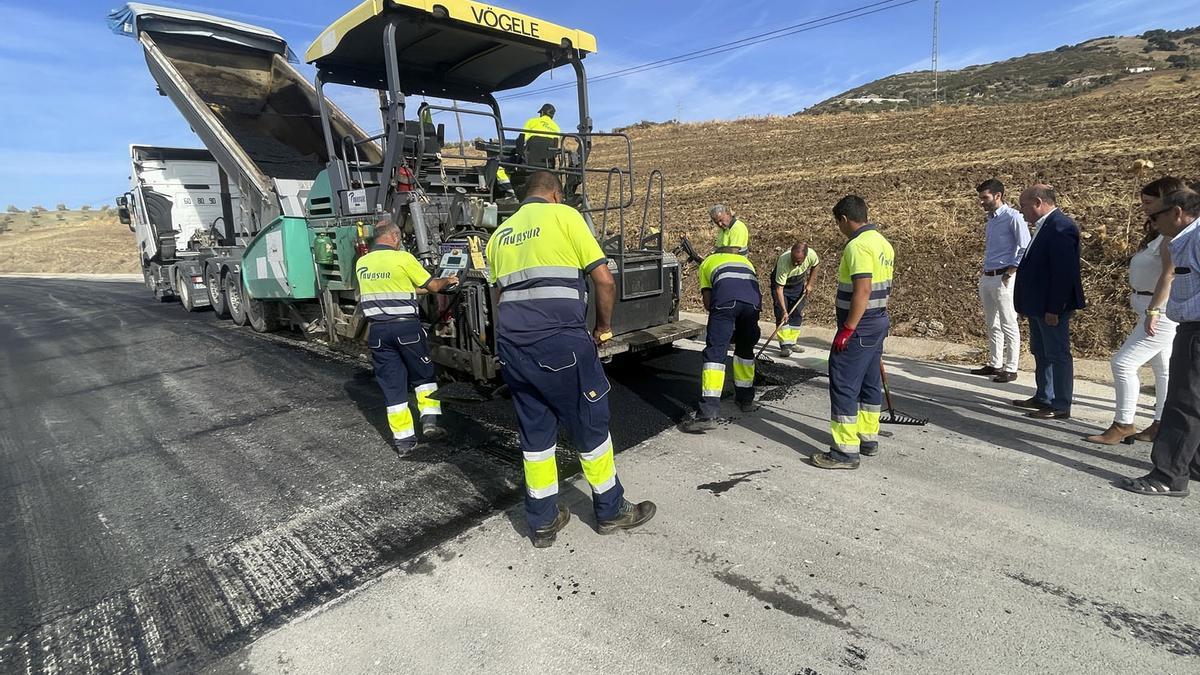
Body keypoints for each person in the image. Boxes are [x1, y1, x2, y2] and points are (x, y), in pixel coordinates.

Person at [486, 170, 655, 547]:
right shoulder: (566, 217)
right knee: (591, 428)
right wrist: (603, 328)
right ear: (556, 195)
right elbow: (604, 280)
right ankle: (611, 511)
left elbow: (499, 299)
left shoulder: (499, 235)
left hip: (514, 349)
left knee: (536, 436)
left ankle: (543, 520)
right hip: (560, 345)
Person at [1086, 177, 1186, 445]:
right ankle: (1160, 424)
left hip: (1160, 311)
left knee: (1123, 363)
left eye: (1150, 203)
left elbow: (1170, 275)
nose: (1145, 209)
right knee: (1162, 367)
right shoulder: (1159, 234)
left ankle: (1123, 424)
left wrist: (1154, 311)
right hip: (1149, 306)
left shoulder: (1169, 238)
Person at [1118, 188, 1200, 496]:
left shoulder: (1196, 239)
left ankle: (1168, 475)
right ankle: (1192, 463)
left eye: (1156, 215)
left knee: (1184, 404)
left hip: (1197, 331)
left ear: (1177, 212)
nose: (1152, 222)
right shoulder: (1187, 239)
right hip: (1192, 328)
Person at [356, 220, 458, 454]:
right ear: (393, 236)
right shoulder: (403, 258)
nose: (400, 242)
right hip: (406, 330)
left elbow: (397, 287)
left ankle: (404, 442)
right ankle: (430, 422)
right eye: (399, 238)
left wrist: (427, 287)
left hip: (379, 332)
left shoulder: (362, 263)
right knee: (423, 376)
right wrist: (447, 281)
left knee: (393, 387)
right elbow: (432, 286)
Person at [812, 195, 895, 470]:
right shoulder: (883, 243)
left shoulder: (857, 246)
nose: (839, 228)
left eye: (838, 223)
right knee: (870, 381)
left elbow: (863, 289)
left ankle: (845, 451)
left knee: (844, 382)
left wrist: (848, 329)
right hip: (878, 320)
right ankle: (867, 437)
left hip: (860, 326)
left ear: (845, 220)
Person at [1011, 185, 1085, 420]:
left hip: (1051, 307)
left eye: (1023, 205)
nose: (1021, 211)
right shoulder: (1045, 227)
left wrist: (1055, 307)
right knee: (1040, 351)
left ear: (1037, 203)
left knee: (1057, 353)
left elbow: (1063, 273)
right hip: (1037, 305)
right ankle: (1044, 395)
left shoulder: (1061, 228)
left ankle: (1061, 404)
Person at [680, 249, 762, 433]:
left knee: (715, 356)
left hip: (725, 302)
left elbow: (709, 303)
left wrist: (723, 330)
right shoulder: (745, 261)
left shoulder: (707, 262)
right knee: (745, 352)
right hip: (753, 304)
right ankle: (745, 399)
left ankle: (707, 414)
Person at [971, 179, 1031, 383]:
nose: (982, 202)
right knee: (992, 323)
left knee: (1008, 322)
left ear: (998, 196)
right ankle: (995, 363)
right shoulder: (992, 219)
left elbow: (1025, 247)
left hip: (1004, 277)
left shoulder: (1013, 217)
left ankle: (1011, 367)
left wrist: (1010, 271)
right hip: (988, 275)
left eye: (985, 198)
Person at [771, 242, 820, 357]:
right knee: (781, 314)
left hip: (797, 283)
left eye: (799, 261)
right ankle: (784, 345)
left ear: (806, 257)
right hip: (781, 285)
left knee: (797, 311)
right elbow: (779, 289)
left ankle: (792, 342)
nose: (795, 263)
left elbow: (816, 266)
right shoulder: (784, 261)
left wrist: (810, 284)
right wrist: (784, 310)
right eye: (793, 260)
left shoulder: (811, 255)